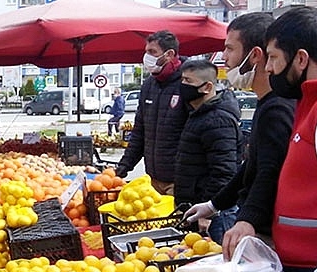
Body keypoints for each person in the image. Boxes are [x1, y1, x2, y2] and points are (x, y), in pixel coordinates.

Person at [184, 13, 295, 253]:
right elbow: (250, 166)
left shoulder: (277, 108)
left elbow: (269, 171)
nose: (224, 58)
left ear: (254, 55)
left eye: (229, 49)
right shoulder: (266, 103)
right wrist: (213, 204)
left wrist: (248, 220)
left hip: (266, 233)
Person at [263, 6, 317, 272]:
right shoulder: (307, 102)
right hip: (298, 266)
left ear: (301, 58)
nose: (267, 68)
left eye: (274, 57)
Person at [174, 59, 243, 243]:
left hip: (216, 215)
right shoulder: (198, 115)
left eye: (189, 81)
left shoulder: (218, 121)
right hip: (198, 209)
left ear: (207, 87)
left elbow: (224, 172)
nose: (183, 86)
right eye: (182, 80)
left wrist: (209, 211)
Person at [115, 30, 188, 195]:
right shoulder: (149, 85)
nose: (146, 57)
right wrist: (124, 166)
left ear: (169, 54)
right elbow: (140, 131)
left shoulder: (187, 83)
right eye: (146, 51)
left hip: (179, 181)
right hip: (153, 179)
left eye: (152, 52)